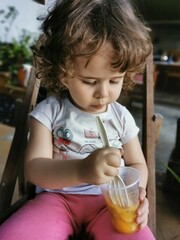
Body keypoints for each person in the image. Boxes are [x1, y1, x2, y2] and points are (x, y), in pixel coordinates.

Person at [0, 0, 155, 239]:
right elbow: (34, 169)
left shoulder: (121, 117)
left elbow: (137, 165)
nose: (103, 93)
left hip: (110, 204)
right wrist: (82, 169)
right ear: (63, 72)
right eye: (90, 81)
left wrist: (139, 193)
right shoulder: (49, 112)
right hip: (55, 199)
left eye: (114, 80)